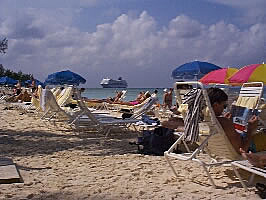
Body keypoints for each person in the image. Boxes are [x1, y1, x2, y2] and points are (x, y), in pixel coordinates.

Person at [207, 87, 258, 154]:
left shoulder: (202, 122)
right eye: (224, 106)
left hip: (217, 151)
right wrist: (250, 129)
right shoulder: (224, 122)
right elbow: (242, 150)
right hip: (247, 147)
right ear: (215, 105)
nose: (224, 109)